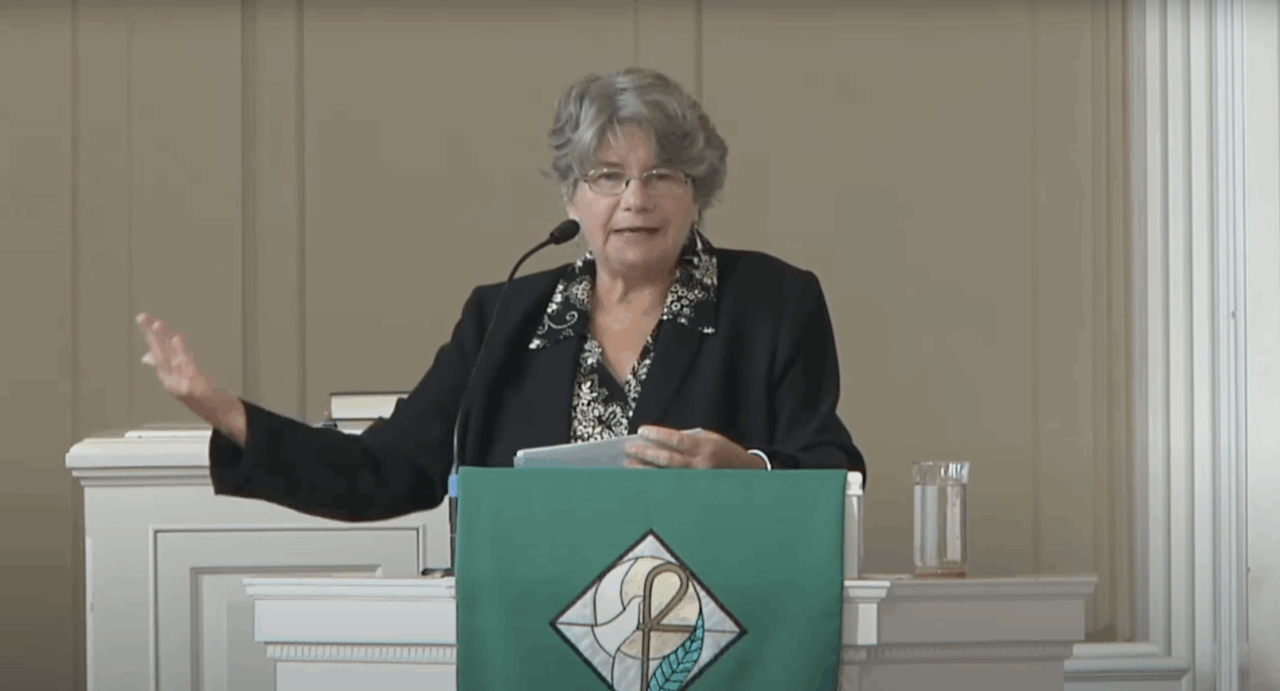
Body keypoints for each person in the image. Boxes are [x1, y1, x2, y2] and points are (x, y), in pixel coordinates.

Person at [136, 67, 865, 523]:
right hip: (528, 630)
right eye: (608, 176)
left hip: (711, 624)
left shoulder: (772, 302)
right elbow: (388, 468)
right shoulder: (505, 316)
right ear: (572, 196)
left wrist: (748, 471)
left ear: (697, 192)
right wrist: (229, 414)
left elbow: (836, 466)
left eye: (663, 175)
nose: (635, 199)